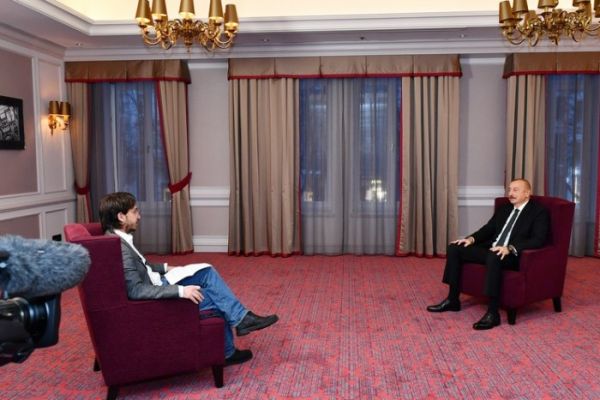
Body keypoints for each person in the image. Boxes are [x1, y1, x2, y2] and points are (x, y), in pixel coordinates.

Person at [98, 192, 279, 365]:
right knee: (213, 296)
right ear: (121, 217)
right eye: (135, 211)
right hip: (154, 298)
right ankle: (229, 349)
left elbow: (143, 266)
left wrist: (167, 268)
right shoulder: (120, 248)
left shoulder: (118, 240)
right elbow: (136, 290)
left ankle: (241, 321)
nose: (139, 216)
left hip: (158, 281)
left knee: (206, 271)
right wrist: (181, 291)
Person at [426, 178, 549, 330]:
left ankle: (493, 313)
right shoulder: (505, 208)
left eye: (515, 190)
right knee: (455, 248)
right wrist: (470, 239)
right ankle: (452, 300)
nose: (510, 193)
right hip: (492, 249)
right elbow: (488, 229)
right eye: (509, 189)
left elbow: (538, 239)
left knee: (494, 256)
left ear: (527, 193)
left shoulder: (538, 212)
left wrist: (510, 248)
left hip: (512, 255)